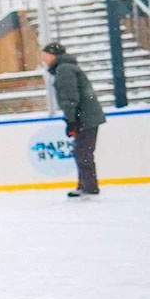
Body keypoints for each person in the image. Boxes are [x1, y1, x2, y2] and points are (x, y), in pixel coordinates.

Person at [40, 42, 106, 197]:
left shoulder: (64, 70)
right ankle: (86, 185)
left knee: (83, 152)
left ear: (53, 55)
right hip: (86, 116)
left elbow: (70, 97)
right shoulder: (66, 67)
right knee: (82, 152)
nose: (43, 60)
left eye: (45, 56)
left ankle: (89, 187)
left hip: (84, 117)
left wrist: (72, 121)